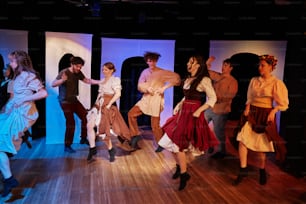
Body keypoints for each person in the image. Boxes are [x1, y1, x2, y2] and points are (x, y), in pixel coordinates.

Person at [158, 54, 219, 191]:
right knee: (168, 141)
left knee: (179, 144)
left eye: (191, 62)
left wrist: (200, 110)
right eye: (188, 61)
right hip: (183, 112)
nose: (187, 64)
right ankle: (180, 167)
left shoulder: (203, 80)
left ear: (198, 65)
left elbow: (212, 98)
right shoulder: (188, 79)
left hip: (192, 114)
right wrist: (179, 105)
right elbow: (187, 97)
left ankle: (184, 174)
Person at [232, 54, 289, 186]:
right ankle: (243, 169)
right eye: (259, 65)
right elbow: (250, 97)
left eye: (263, 65)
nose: (260, 67)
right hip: (252, 112)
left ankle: (262, 170)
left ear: (270, 67)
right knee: (242, 139)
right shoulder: (254, 80)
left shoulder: (276, 83)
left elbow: (283, 103)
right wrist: (247, 107)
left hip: (265, 114)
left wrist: (274, 111)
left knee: (262, 146)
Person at [0, 50, 48, 197]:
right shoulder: (17, 76)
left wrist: (24, 99)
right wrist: (6, 108)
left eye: (13, 61)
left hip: (24, 114)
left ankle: (8, 179)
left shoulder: (29, 75)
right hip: (14, 112)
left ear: (19, 62)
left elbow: (43, 93)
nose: (10, 64)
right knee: (1, 146)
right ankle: (8, 179)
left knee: (1, 144)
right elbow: (15, 97)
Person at [127, 51, 181, 151]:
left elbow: (177, 79)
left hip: (156, 99)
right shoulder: (145, 72)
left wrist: (165, 87)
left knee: (155, 124)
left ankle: (161, 144)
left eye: (151, 61)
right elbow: (139, 85)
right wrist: (146, 89)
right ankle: (135, 135)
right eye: (148, 61)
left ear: (155, 61)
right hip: (146, 99)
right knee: (131, 114)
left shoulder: (162, 72)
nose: (149, 63)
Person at [86, 62, 135, 162]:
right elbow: (99, 94)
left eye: (106, 69)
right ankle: (92, 149)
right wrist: (95, 106)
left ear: (112, 70)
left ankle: (110, 150)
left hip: (107, 105)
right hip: (98, 104)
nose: (104, 71)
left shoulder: (115, 80)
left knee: (103, 130)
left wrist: (109, 105)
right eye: (103, 69)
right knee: (89, 125)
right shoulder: (103, 80)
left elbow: (118, 94)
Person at [51, 56, 101, 153]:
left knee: (86, 117)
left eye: (80, 67)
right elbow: (53, 84)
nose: (79, 68)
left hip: (74, 100)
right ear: (72, 64)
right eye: (77, 66)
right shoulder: (65, 72)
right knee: (71, 123)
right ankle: (67, 145)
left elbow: (87, 80)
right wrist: (62, 80)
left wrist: (100, 82)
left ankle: (83, 138)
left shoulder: (78, 73)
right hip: (65, 101)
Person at [204, 56, 238, 159]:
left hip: (221, 110)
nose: (223, 67)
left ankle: (222, 151)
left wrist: (216, 98)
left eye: (226, 65)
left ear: (231, 68)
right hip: (211, 107)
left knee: (218, 131)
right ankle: (209, 144)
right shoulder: (217, 76)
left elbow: (230, 96)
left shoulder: (232, 81)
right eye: (223, 65)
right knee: (201, 124)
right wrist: (208, 61)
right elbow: (204, 71)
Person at [0, 64, 33, 149]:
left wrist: (6, 107)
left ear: (10, 71)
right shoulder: (3, 81)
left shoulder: (11, 82)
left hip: (7, 107)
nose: (4, 71)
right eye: (3, 69)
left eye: (6, 70)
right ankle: (24, 135)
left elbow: (11, 96)